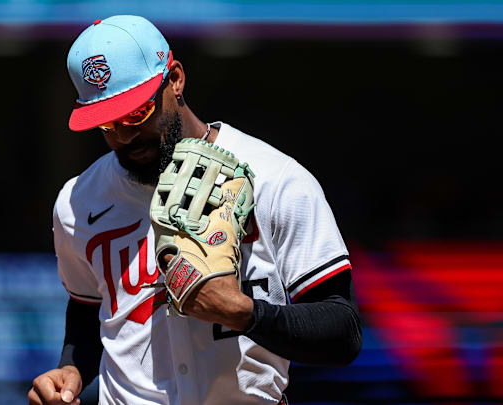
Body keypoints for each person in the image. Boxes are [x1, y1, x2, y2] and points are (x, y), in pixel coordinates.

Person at [29, 15, 362, 405]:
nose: (124, 135)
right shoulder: (77, 202)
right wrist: (72, 369)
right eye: (106, 123)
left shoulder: (275, 179)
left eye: (136, 113)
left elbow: (344, 332)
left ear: (175, 79)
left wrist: (246, 314)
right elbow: (87, 313)